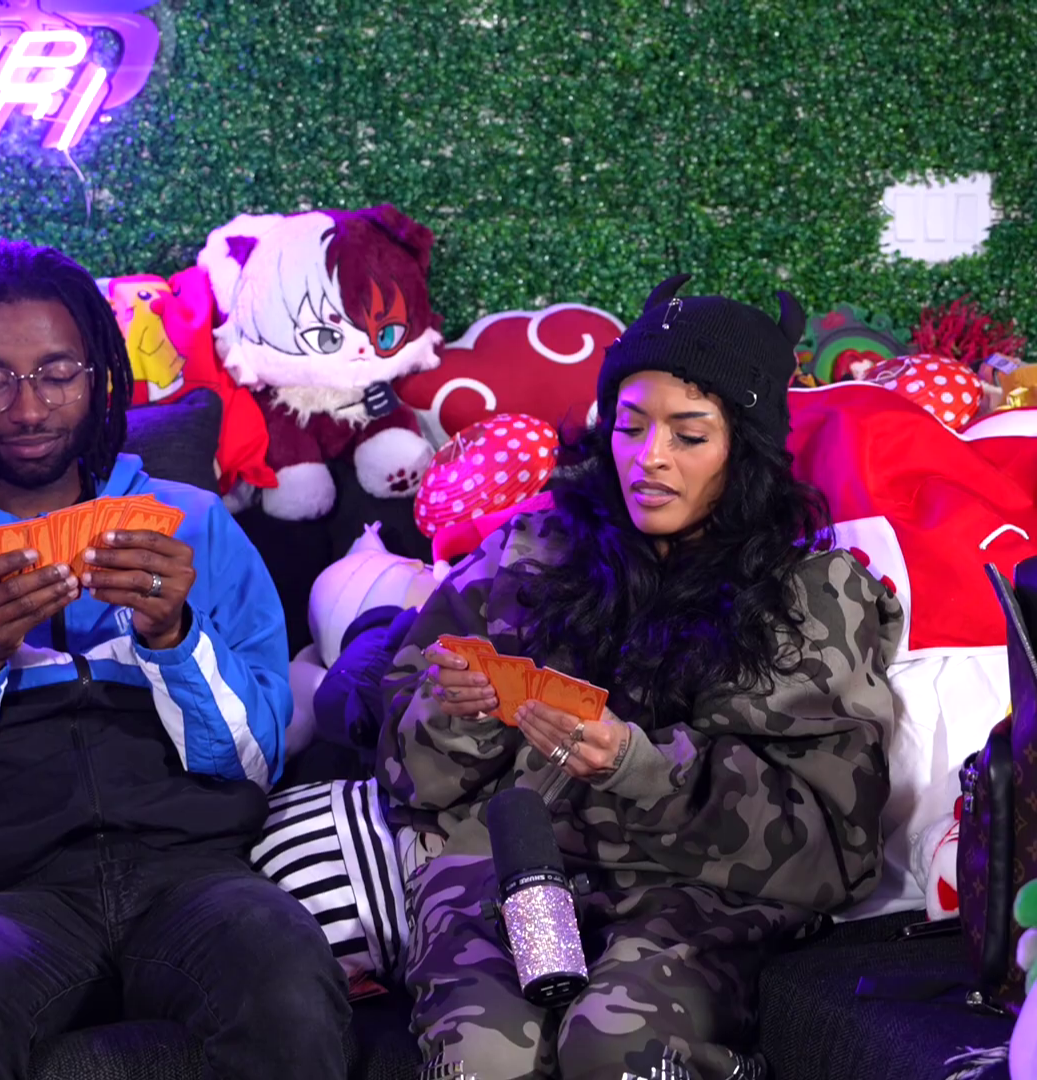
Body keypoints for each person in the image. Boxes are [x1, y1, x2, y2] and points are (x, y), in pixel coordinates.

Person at [0, 241, 350, 1080]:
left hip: (191, 876)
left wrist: (174, 638)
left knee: (286, 971)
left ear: (99, 378)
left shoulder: (194, 524)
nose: (29, 408)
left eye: (58, 372)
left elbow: (257, 761)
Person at [377, 275, 901, 1080]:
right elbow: (409, 777)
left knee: (612, 1049)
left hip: (693, 894)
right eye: (628, 426)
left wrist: (639, 766)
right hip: (510, 870)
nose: (648, 458)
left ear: (747, 450)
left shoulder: (806, 597)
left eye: (688, 435)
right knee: (483, 1062)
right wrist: (460, 717)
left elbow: (836, 849)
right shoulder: (528, 554)